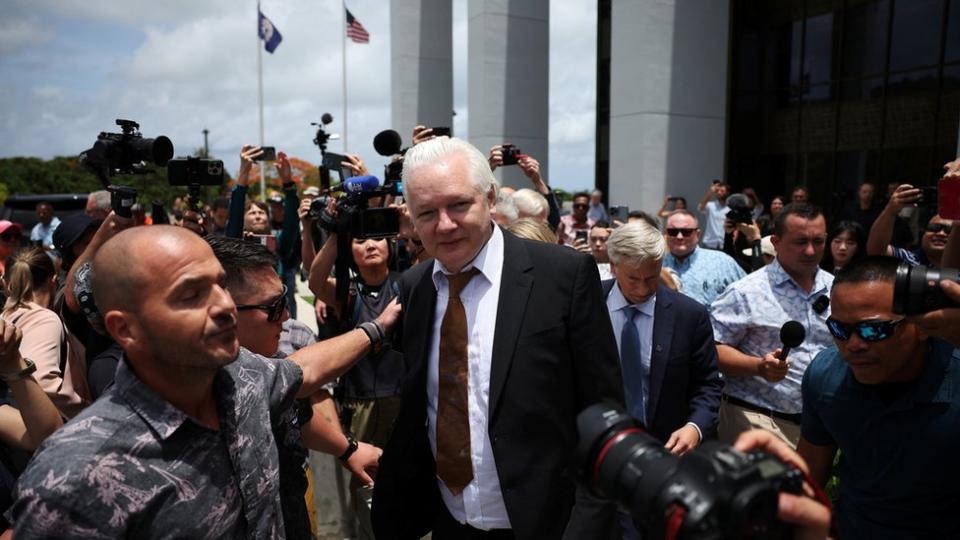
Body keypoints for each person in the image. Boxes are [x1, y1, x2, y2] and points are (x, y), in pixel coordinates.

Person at [7, 225, 400, 537]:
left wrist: (377, 329)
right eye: (191, 295)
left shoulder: (244, 376)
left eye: (219, 285)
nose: (224, 307)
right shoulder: (74, 478)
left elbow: (304, 370)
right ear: (125, 329)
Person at [371, 137, 624, 540]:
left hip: (546, 525)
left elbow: (605, 414)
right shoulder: (416, 287)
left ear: (489, 197)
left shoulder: (562, 275)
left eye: (458, 205)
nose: (445, 224)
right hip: (449, 523)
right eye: (427, 213)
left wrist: (586, 528)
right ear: (411, 220)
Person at [206, 235, 385, 540]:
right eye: (274, 308)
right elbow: (306, 371)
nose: (286, 317)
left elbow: (294, 412)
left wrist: (348, 449)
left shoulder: (266, 367)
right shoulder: (206, 382)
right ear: (224, 310)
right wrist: (379, 327)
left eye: (285, 300)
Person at [798, 256, 960, 539]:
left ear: (922, 325)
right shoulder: (825, 377)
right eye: (839, 329)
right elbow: (810, 474)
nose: (854, 345)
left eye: (874, 330)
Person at [603, 221, 724, 538]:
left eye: (652, 277)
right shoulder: (587, 305)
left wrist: (695, 427)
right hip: (603, 463)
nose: (643, 288)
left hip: (668, 463)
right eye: (633, 278)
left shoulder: (689, 315)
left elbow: (708, 384)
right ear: (613, 265)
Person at [710, 203, 835, 447]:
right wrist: (758, 366)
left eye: (818, 241)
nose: (810, 251)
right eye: (800, 242)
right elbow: (711, 349)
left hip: (820, 427)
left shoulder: (838, 289)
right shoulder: (744, 292)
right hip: (757, 419)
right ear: (776, 242)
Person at [2, 247, 89, 419]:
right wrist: (86, 412)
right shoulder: (44, 320)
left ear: (6, 282)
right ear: (53, 280)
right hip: (44, 432)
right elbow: (41, 381)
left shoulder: (6, 317)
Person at [226, 145, 301, 318]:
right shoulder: (235, 244)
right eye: (252, 212)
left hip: (276, 315)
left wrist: (288, 184)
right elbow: (235, 213)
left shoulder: (278, 244)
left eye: (261, 212)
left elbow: (291, 223)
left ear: (268, 219)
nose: (258, 216)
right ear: (243, 220)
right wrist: (243, 175)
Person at [662, 210, 745, 306]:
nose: (679, 237)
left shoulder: (722, 262)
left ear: (697, 234)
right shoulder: (657, 266)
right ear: (666, 234)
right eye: (673, 232)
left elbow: (747, 294)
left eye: (686, 232)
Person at [866, 183, 953, 268]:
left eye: (949, 230)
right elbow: (876, 251)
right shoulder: (908, 260)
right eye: (934, 228)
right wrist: (890, 210)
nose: (941, 233)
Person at [487, 145, 561, 230]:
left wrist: (538, 181)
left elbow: (553, 222)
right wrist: (487, 169)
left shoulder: (540, 236)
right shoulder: (495, 236)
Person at [697, 181, 730, 249]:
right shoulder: (711, 206)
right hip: (709, 243)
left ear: (727, 193)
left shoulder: (730, 209)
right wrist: (710, 191)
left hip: (723, 244)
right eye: (717, 191)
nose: (719, 192)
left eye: (722, 191)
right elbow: (700, 208)